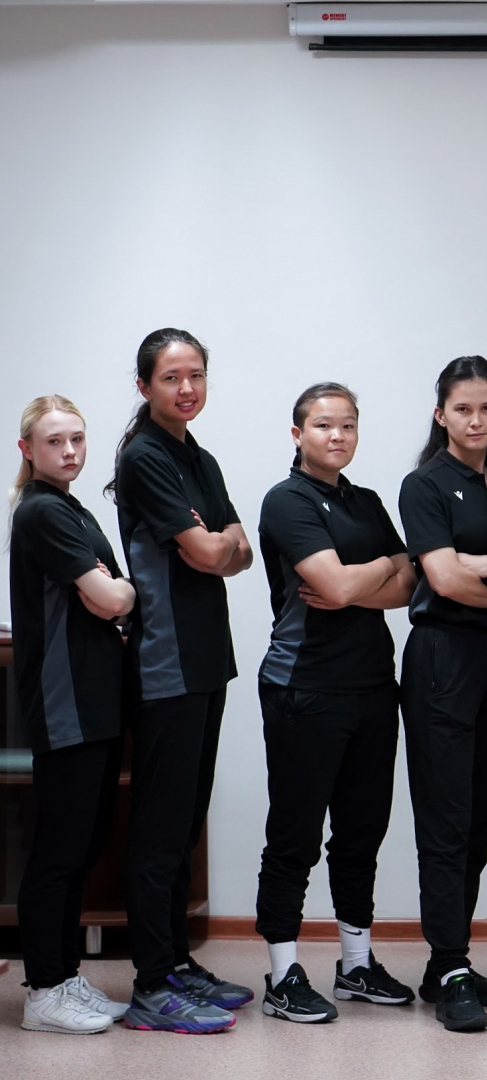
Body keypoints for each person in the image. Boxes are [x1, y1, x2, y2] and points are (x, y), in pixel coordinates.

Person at [254, 383, 418, 1023]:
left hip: (373, 686)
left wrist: (357, 581)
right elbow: (338, 582)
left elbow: (409, 582)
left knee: (360, 835)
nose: (338, 436)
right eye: (324, 425)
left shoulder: (366, 501)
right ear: (298, 434)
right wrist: (375, 570)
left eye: (348, 425)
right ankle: (282, 975)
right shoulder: (286, 499)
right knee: (294, 836)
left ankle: (356, 965)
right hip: (305, 687)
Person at [111, 328, 255, 1034]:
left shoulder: (198, 455)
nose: (186, 388)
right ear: (145, 387)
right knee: (161, 828)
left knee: (186, 821)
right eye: (171, 377)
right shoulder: (144, 456)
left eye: (195, 374)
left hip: (206, 659)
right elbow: (205, 551)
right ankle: (149, 984)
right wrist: (215, 543)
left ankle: (174, 963)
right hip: (165, 663)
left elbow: (241, 549)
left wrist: (218, 543)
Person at [397, 356, 487, 1032]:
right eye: (462, 409)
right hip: (441, 657)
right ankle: (451, 966)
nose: (475, 420)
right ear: (440, 414)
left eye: (485, 408)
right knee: (446, 819)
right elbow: (445, 581)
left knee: (481, 814)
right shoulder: (423, 485)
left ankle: (446, 962)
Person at [11, 397, 134, 1034]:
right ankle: (42, 993)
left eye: (77, 439)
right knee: (58, 853)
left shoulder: (72, 508)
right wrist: (118, 594)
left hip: (97, 701)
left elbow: (113, 595)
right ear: (27, 449)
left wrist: (115, 595)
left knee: (82, 848)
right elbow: (113, 595)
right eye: (54, 441)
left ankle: (63, 977)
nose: (68, 451)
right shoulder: (40, 511)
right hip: (66, 704)